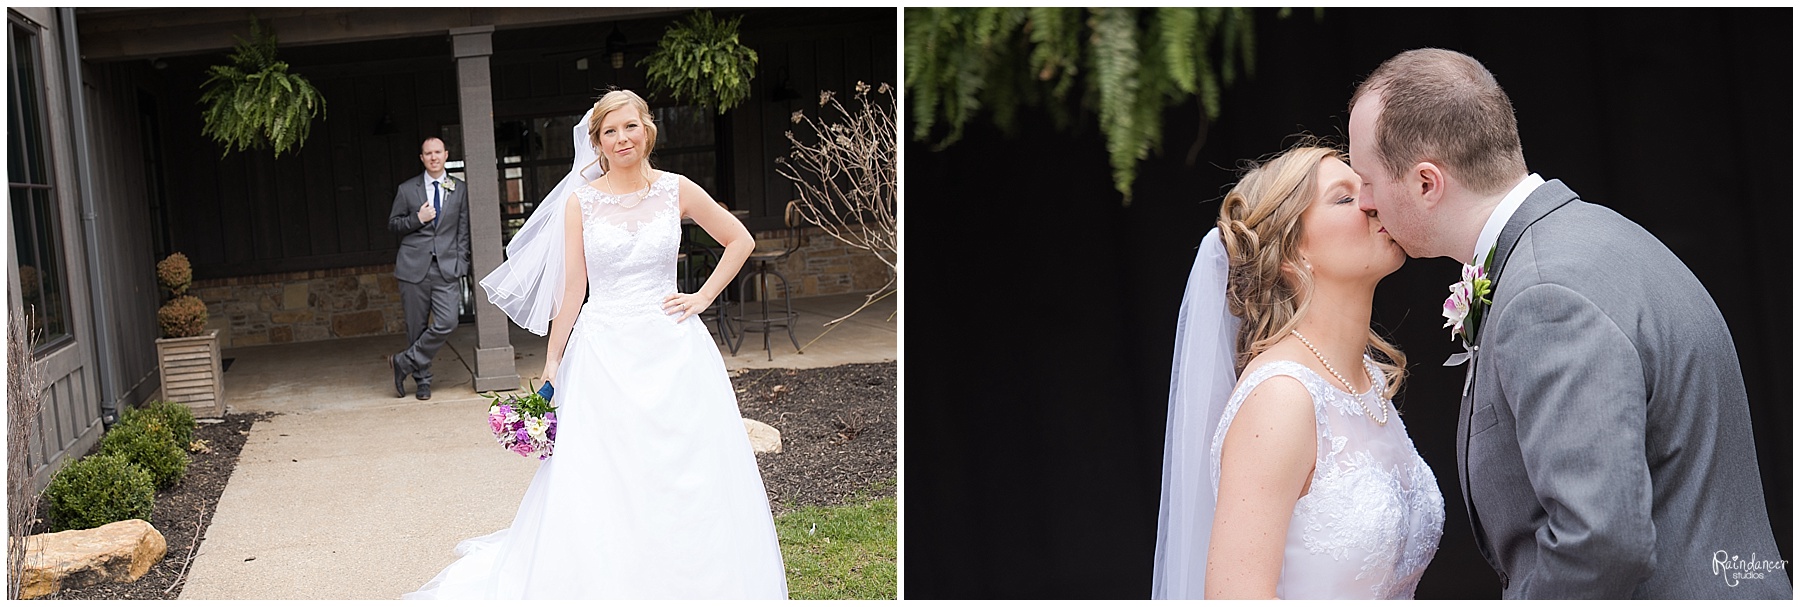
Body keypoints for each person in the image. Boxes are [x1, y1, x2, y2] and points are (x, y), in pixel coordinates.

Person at [1348, 48, 1789, 598]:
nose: (1363, 202)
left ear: (1426, 183)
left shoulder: (1545, 296)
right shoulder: (1595, 238)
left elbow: (1598, 542)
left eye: (1365, 180)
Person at [403, 90, 786, 599]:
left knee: (685, 466)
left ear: (646, 130)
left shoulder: (677, 190)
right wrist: (553, 364)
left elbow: (740, 240)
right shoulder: (581, 202)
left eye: (630, 127)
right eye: (610, 131)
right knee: (606, 475)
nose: (622, 138)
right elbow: (572, 290)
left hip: (673, 349)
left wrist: (701, 297)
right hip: (604, 353)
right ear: (598, 142)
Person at [1152, 143, 1444, 599]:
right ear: (1292, 253)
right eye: (1345, 198)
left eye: (1365, 187)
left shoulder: (1363, 377)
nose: (1372, 202)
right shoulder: (1282, 397)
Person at [387, 137, 469, 401]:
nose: (433, 157)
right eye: (427, 153)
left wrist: (461, 263)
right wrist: (416, 219)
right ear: (422, 158)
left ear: (446, 155)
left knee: (447, 322)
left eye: (437, 152)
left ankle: (404, 361)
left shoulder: (459, 188)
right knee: (416, 327)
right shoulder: (407, 189)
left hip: (446, 268)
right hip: (413, 268)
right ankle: (423, 382)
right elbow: (394, 225)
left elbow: (463, 231)